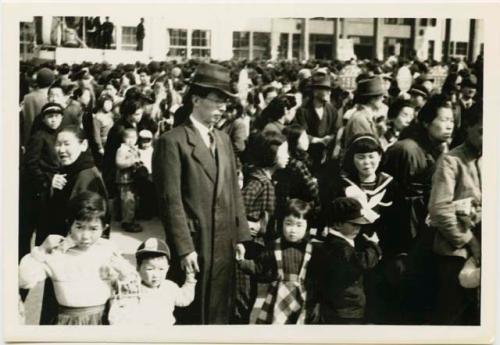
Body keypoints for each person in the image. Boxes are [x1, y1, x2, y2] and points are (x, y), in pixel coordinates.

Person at [152, 63, 250, 324]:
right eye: (217, 101)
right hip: (197, 241)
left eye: (225, 104)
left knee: (220, 311)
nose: (222, 109)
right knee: (194, 313)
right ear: (196, 99)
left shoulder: (223, 139)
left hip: (225, 240)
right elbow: (170, 201)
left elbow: (233, 190)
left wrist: (240, 235)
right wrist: (184, 248)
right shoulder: (172, 141)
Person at [381, 94, 454, 324]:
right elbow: (388, 195)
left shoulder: (441, 148)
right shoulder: (406, 149)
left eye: (452, 120)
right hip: (404, 231)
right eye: (443, 119)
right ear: (425, 122)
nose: (449, 125)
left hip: (427, 229)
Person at [19, 192, 137, 325]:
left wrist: (124, 274)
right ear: (69, 224)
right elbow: (23, 281)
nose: (85, 236)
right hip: (67, 322)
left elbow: (132, 289)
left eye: (93, 229)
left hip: (103, 320)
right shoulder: (58, 252)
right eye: (79, 227)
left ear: (104, 228)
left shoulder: (109, 251)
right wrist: (40, 251)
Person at [428, 103, 482, 325]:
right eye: (481, 132)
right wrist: (471, 242)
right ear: (467, 128)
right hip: (456, 250)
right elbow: (440, 209)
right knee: (453, 316)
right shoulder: (451, 161)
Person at [234, 131, 289, 324]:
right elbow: (236, 208)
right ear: (271, 155)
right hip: (246, 251)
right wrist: (248, 224)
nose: (288, 156)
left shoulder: (264, 179)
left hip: (252, 251)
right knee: (242, 303)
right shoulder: (259, 182)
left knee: (246, 301)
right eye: (284, 151)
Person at [237, 199, 316, 324]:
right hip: (278, 298)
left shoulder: (312, 249)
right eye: (288, 224)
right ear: (282, 223)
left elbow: (318, 277)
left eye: (299, 225)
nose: (293, 230)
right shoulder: (274, 246)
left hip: (303, 298)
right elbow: (259, 268)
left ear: (308, 226)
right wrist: (241, 261)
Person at [315, 197, 381, 324]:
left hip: (337, 307)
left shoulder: (332, 243)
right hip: (346, 310)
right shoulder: (340, 247)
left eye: (360, 225)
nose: (358, 229)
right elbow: (363, 262)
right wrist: (373, 245)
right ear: (337, 224)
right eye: (354, 224)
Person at [108, 238, 197, 325]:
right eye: (150, 269)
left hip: (165, 331)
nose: (156, 275)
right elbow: (117, 316)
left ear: (167, 269)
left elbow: (184, 299)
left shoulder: (170, 287)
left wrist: (190, 278)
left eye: (161, 269)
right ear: (138, 268)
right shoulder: (133, 288)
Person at [19, 103, 64, 260]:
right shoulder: (39, 136)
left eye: (57, 116)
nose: (54, 120)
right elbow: (30, 164)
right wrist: (48, 178)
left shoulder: (60, 135)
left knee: (46, 229)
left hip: (51, 189)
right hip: (37, 191)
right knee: (32, 229)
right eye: (50, 117)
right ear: (43, 119)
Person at [293, 72, 340, 173]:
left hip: (327, 156)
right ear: (315, 91)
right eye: (325, 89)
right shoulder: (303, 110)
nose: (329, 93)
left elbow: (337, 129)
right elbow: (300, 132)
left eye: (329, 90)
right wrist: (318, 140)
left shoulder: (332, 109)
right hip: (308, 157)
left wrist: (330, 138)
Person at [343, 76, 387, 147]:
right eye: (380, 96)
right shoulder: (359, 120)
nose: (383, 99)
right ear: (372, 99)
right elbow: (365, 148)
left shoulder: (365, 116)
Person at [115, 128, 144, 233]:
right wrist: (131, 162)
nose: (131, 140)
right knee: (127, 201)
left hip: (133, 178)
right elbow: (119, 163)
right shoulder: (122, 150)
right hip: (125, 179)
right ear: (123, 139)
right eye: (128, 138)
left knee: (132, 200)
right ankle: (127, 222)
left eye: (134, 138)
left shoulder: (134, 149)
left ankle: (129, 218)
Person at [21, 67, 54, 150]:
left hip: (28, 139)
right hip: (45, 142)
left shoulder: (27, 97)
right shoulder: (50, 98)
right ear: (52, 82)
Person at [92, 94, 115, 160]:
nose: (109, 106)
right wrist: (100, 147)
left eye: (111, 103)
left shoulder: (111, 114)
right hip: (104, 143)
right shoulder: (97, 117)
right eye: (107, 103)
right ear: (101, 104)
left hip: (112, 140)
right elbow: (96, 134)